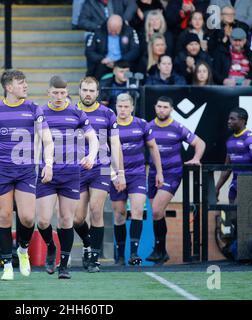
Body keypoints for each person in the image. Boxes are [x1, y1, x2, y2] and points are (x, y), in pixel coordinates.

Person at [0, 69, 54, 281]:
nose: (25, 86)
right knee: (4, 216)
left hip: (25, 170)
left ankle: (22, 250)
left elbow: (48, 140)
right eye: (21, 83)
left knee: (27, 217)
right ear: (8, 87)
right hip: (2, 169)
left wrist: (48, 164)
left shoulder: (33, 108)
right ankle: (6, 264)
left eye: (26, 82)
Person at [36, 76, 98, 279]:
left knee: (66, 220)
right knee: (43, 221)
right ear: (49, 93)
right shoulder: (40, 112)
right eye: (55, 93)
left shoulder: (76, 112)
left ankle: (64, 266)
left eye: (63, 93)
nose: (59, 97)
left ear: (67, 93)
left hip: (71, 173)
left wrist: (91, 155)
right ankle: (50, 247)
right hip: (47, 173)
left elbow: (93, 138)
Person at [73, 76, 125, 273]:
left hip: (101, 167)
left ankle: (94, 257)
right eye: (84, 90)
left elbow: (115, 143)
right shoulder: (72, 111)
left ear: (97, 93)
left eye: (91, 91)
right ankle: (88, 245)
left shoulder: (107, 113)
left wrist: (120, 172)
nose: (88, 94)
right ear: (79, 90)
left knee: (96, 209)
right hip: (77, 168)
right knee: (77, 219)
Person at [146, 96, 206, 264]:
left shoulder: (177, 127)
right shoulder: (148, 127)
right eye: (159, 106)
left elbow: (200, 143)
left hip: (172, 173)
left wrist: (196, 158)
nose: (162, 110)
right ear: (155, 107)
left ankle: (159, 249)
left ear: (171, 109)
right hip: (153, 174)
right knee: (157, 213)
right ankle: (161, 250)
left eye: (165, 107)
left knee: (157, 210)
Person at [111, 93, 163, 266]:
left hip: (137, 175)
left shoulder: (142, 124)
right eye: (120, 106)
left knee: (138, 211)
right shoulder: (110, 125)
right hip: (116, 176)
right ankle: (119, 256)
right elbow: (104, 152)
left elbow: (153, 148)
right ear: (116, 106)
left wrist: (159, 173)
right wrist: (113, 175)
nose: (123, 110)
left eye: (126, 107)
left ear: (132, 107)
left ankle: (133, 253)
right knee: (119, 215)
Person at [215, 107, 252, 205]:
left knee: (240, 214)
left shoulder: (251, 139)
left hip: (248, 184)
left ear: (242, 120)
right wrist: (217, 188)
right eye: (229, 119)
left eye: (233, 119)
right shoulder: (230, 141)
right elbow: (227, 168)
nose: (229, 121)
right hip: (234, 185)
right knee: (233, 218)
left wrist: (251, 186)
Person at [85, 14, 141, 80]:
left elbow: (135, 50)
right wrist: (102, 59)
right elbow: (89, 51)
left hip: (123, 62)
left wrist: (119, 61)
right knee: (97, 73)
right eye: (111, 30)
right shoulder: (98, 32)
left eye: (116, 30)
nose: (113, 32)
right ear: (107, 25)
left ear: (121, 26)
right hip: (104, 63)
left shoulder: (130, 31)